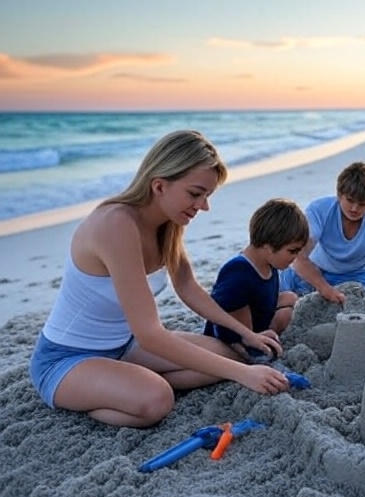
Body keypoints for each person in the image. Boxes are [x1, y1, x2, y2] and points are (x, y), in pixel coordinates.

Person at [28, 130, 290, 428]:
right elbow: (150, 334)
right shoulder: (115, 224)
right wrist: (244, 375)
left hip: (124, 347)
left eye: (207, 195)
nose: (203, 206)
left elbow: (189, 288)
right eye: (195, 193)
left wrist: (245, 333)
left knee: (227, 354)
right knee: (157, 399)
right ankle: (103, 393)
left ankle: (121, 380)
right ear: (159, 185)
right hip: (66, 360)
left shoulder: (168, 223)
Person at [204, 198, 309, 362]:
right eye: (292, 251)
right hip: (230, 340)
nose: (295, 258)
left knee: (290, 298)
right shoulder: (238, 272)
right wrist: (246, 346)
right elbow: (221, 320)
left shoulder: (269, 263)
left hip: (256, 323)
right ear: (268, 246)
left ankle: (263, 338)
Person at [279, 161, 365, 305]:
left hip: (356, 274)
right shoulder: (319, 210)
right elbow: (298, 257)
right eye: (350, 200)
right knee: (282, 287)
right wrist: (324, 288)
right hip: (316, 269)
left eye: (362, 204)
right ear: (340, 194)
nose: (354, 208)